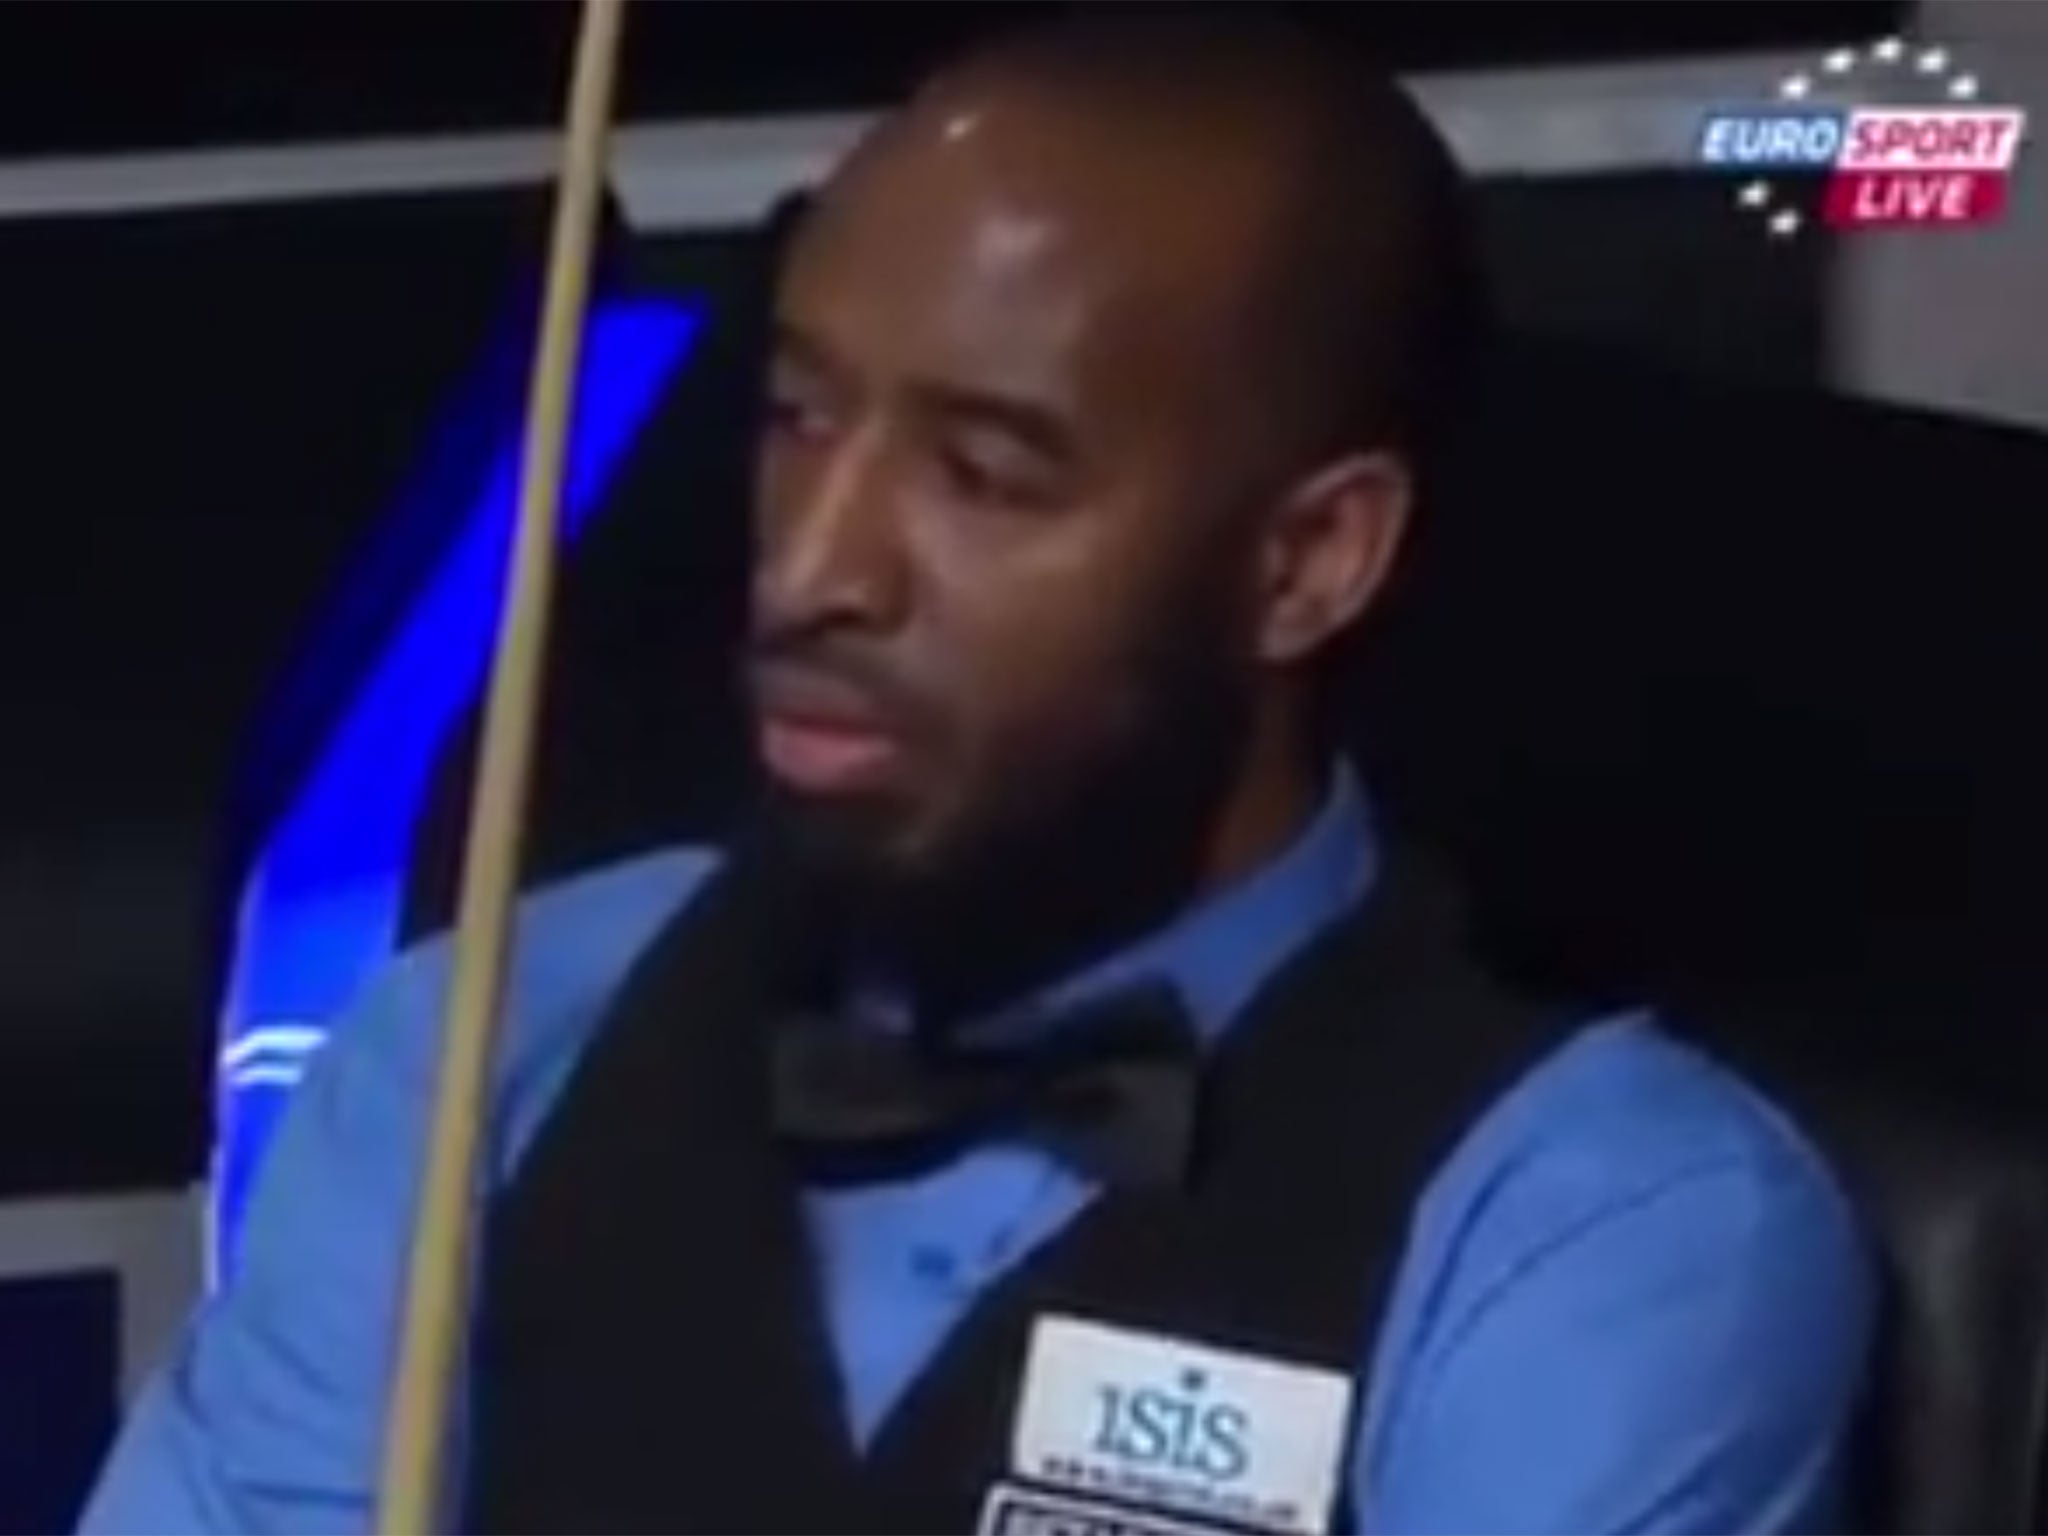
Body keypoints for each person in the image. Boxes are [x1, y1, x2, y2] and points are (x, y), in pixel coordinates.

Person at [82, 13, 1873, 1535]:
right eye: (799, 418)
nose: (812, 569)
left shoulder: (1607, 1247)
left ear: (1305, 563)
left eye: (989, 474)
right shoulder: (473, 1052)